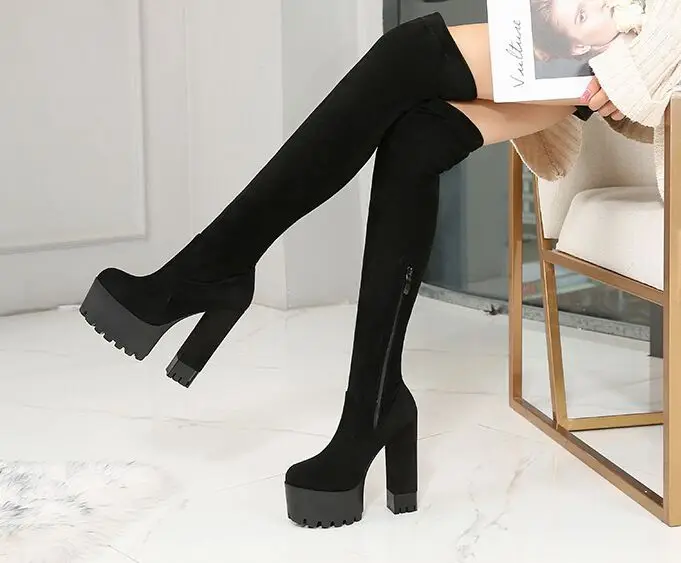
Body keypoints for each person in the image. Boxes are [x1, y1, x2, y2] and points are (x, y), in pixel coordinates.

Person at [79, 1, 681, 529]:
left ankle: (214, 268)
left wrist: (636, 69)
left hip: (648, 41)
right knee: (420, 135)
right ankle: (372, 406)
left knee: (410, 52)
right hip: (592, 42)